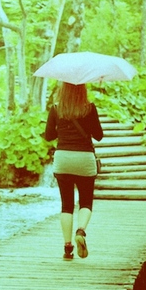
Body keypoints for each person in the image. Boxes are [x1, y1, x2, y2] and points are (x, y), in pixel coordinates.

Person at [44, 82, 103, 260]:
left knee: (66, 205)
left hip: (63, 159)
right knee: (85, 202)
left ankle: (67, 248)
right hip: (84, 159)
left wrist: (60, 129)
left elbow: (48, 136)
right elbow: (99, 135)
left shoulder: (56, 109)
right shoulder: (90, 108)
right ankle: (81, 231)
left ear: (64, 90)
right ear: (82, 90)